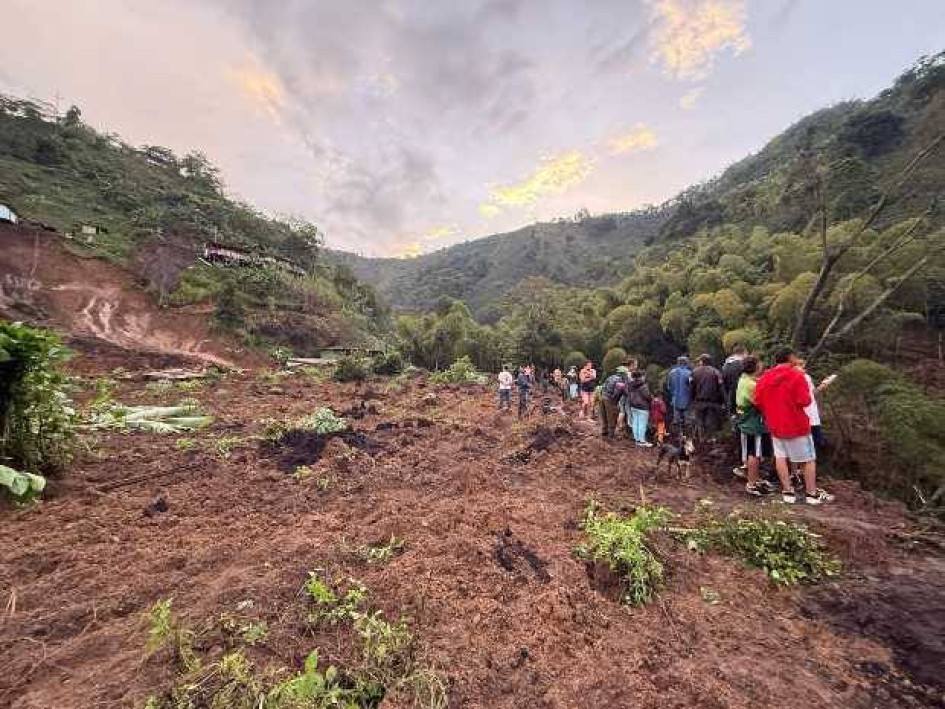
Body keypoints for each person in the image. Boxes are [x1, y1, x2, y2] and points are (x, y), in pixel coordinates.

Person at [754, 346, 834, 505]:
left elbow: (757, 400)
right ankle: (811, 493)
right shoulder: (797, 376)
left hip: (775, 424)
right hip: (796, 425)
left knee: (781, 457)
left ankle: (787, 491)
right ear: (791, 358)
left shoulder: (765, 377)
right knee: (808, 459)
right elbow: (805, 401)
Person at [734, 356, 773, 497]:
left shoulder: (744, 379)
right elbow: (761, 403)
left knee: (753, 453)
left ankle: (755, 480)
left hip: (746, 422)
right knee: (754, 454)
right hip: (753, 424)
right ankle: (751, 484)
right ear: (755, 367)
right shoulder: (751, 385)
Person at [797, 359, 837, 451]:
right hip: (809, 417)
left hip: (805, 417)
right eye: (801, 365)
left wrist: (823, 385)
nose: (804, 368)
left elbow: (811, 393)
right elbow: (811, 394)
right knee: (814, 445)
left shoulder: (800, 377)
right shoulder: (805, 377)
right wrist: (823, 385)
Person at [690, 354, 725, 440]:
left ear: (702, 361)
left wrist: (693, 399)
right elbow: (721, 388)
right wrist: (722, 401)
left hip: (699, 401)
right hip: (713, 402)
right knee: (711, 422)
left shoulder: (694, 372)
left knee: (700, 422)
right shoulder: (716, 372)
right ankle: (711, 441)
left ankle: (702, 441)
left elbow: (691, 388)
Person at [599, 366, 629, 438]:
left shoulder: (611, 377)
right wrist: (614, 402)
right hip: (610, 400)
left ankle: (604, 431)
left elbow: (603, 386)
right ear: (623, 374)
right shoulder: (620, 382)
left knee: (604, 416)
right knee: (612, 417)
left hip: (603, 397)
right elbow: (617, 393)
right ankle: (611, 435)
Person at [666, 356, 693, 433]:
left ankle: (678, 438)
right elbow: (692, 387)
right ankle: (687, 438)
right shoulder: (689, 373)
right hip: (687, 400)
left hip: (675, 400)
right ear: (686, 363)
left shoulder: (671, 373)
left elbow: (669, 387)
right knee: (688, 421)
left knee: (676, 421)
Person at [627, 370, 654, 447]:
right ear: (641, 377)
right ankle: (642, 441)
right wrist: (652, 398)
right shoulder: (643, 385)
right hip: (643, 407)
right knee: (642, 424)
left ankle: (637, 440)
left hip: (633, 406)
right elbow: (647, 396)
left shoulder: (630, 384)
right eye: (643, 376)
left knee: (635, 423)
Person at [722, 345, 748, 414]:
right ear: (743, 353)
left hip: (730, 399)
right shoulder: (742, 364)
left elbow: (724, 383)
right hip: (742, 400)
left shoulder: (726, 365)